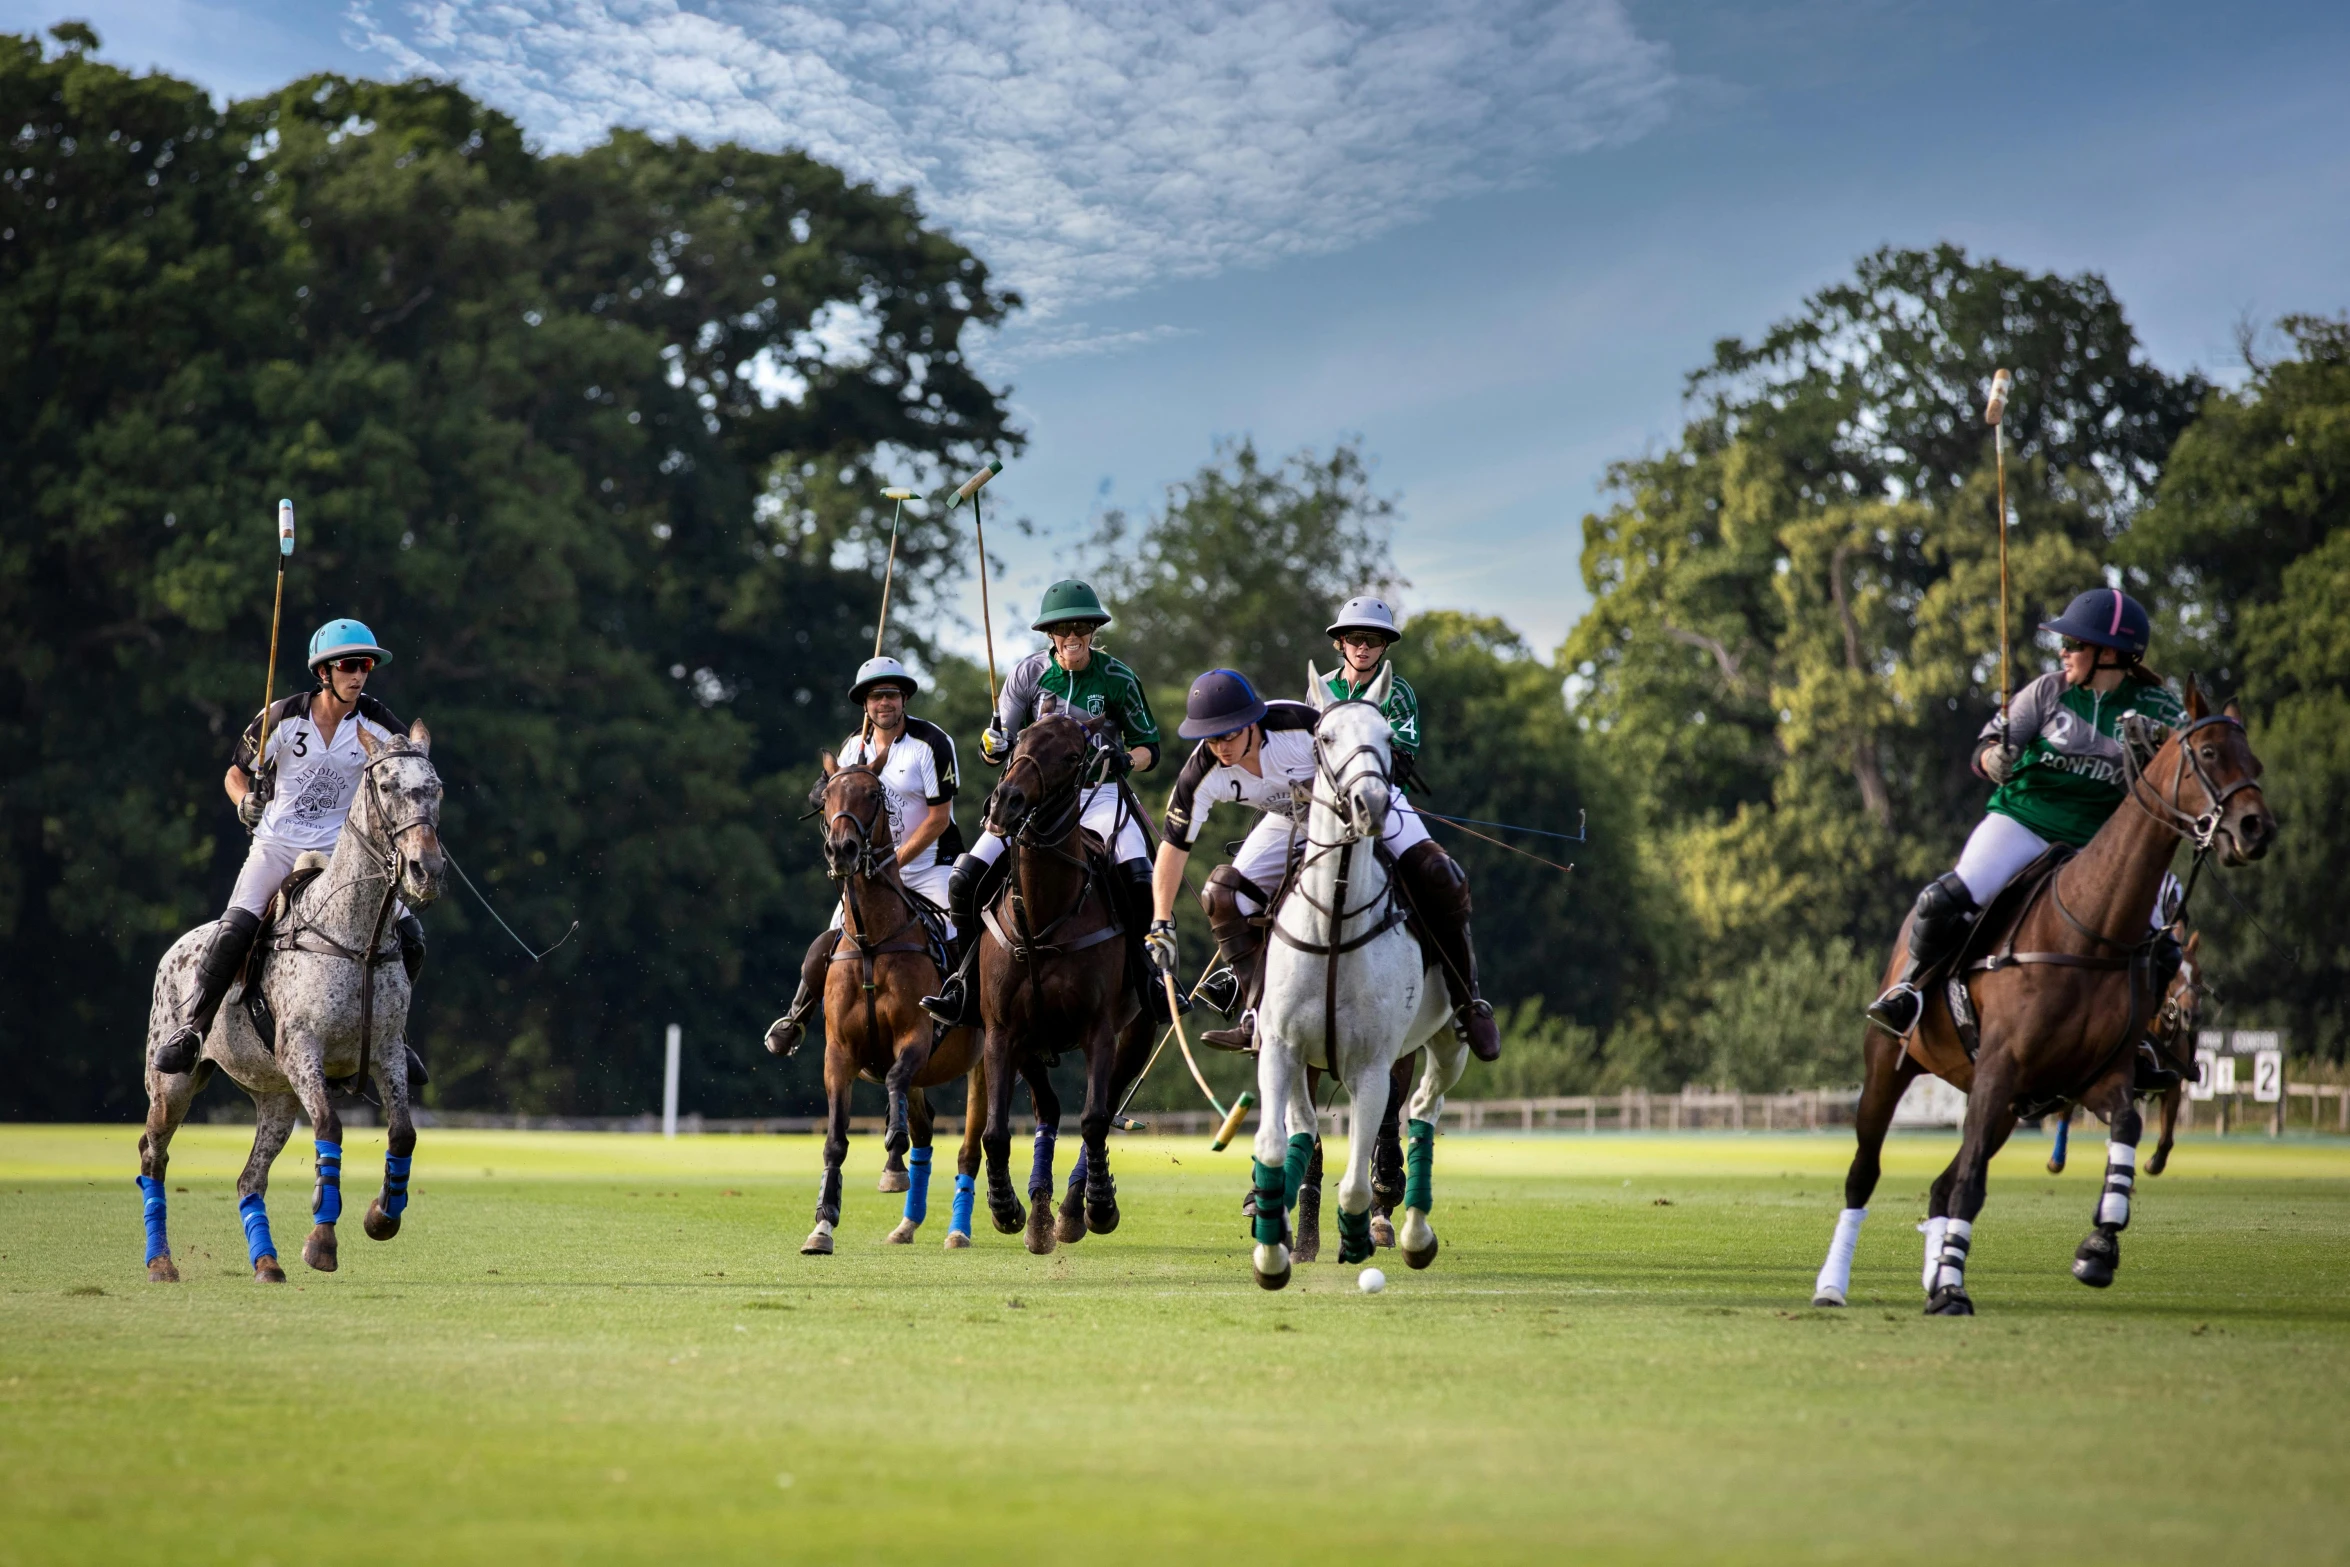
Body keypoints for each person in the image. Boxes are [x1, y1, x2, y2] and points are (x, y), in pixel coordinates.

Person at [1865, 587, 2190, 1066]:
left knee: (2162, 947)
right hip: (2025, 822)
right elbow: (1987, 747)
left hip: (2104, 846)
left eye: (2075, 644)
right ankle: (1909, 992)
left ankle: (2139, 1037)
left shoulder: (2160, 707)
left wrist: (2169, 751)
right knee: (1941, 901)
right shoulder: (2046, 691)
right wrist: (1993, 757)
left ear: (2110, 653)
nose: (2064, 651)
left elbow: (2196, 759)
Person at [1143, 668, 1502, 1060]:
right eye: (1212, 739)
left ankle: (1468, 1001)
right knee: (1222, 894)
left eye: (1230, 733)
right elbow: (1174, 847)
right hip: (1287, 819)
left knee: (1438, 873)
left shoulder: (1299, 726)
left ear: (1252, 723)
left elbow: (1361, 742)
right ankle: (1255, 1012)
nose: (1222, 747)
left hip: (1359, 800)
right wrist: (1161, 921)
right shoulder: (1202, 772)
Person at [149, 619, 429, 1076]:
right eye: (349, 665)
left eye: (366, 666)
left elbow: (408, 767)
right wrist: (245, 804)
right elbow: (234, 774)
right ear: (324, 672)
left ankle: (392, 1034)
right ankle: (194, 1028)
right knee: (234, 929)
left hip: (344, 856)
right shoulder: (282, 716)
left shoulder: (377, 722)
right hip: (278, 845)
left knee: (411, 936)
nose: (359, 675)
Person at [921, 579, 1164, 1027]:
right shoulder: (1028, 675)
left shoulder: (1117, 678)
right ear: (1049, 634)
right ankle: (963, 981)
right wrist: (991, 743)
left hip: (1098, 794)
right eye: (1062, 627)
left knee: (1137, 873)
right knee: (964, 876)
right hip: (1034, 803)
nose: (1072, 635)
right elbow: (998, 747)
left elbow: (1150, 746)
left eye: (1081, 626)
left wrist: (1126, 757)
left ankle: (1147, 974)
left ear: (1093, 629)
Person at [766, 656, 964, 1055]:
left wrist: (895, 862)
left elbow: (940, 818)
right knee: (830, 940)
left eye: (891, 694)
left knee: (958, 926)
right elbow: (823, 795)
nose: (884, 703)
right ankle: (796, 1016)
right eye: (876, 696)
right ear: (865, 704)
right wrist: (827, 789)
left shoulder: (932, 743)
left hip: (929, 866)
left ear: (904, 698)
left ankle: (966, 1002)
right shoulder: (853, 747)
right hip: (870, 874)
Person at [1322, 594, 1422, 783]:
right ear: (1342, 641)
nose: (1363, 647)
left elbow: (1403, 762)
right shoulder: (1322, 687)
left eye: (1373, 640)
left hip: (1383, 794)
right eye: (1356, 638)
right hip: (1326, 795)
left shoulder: (1398, 692)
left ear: (1384, 646)